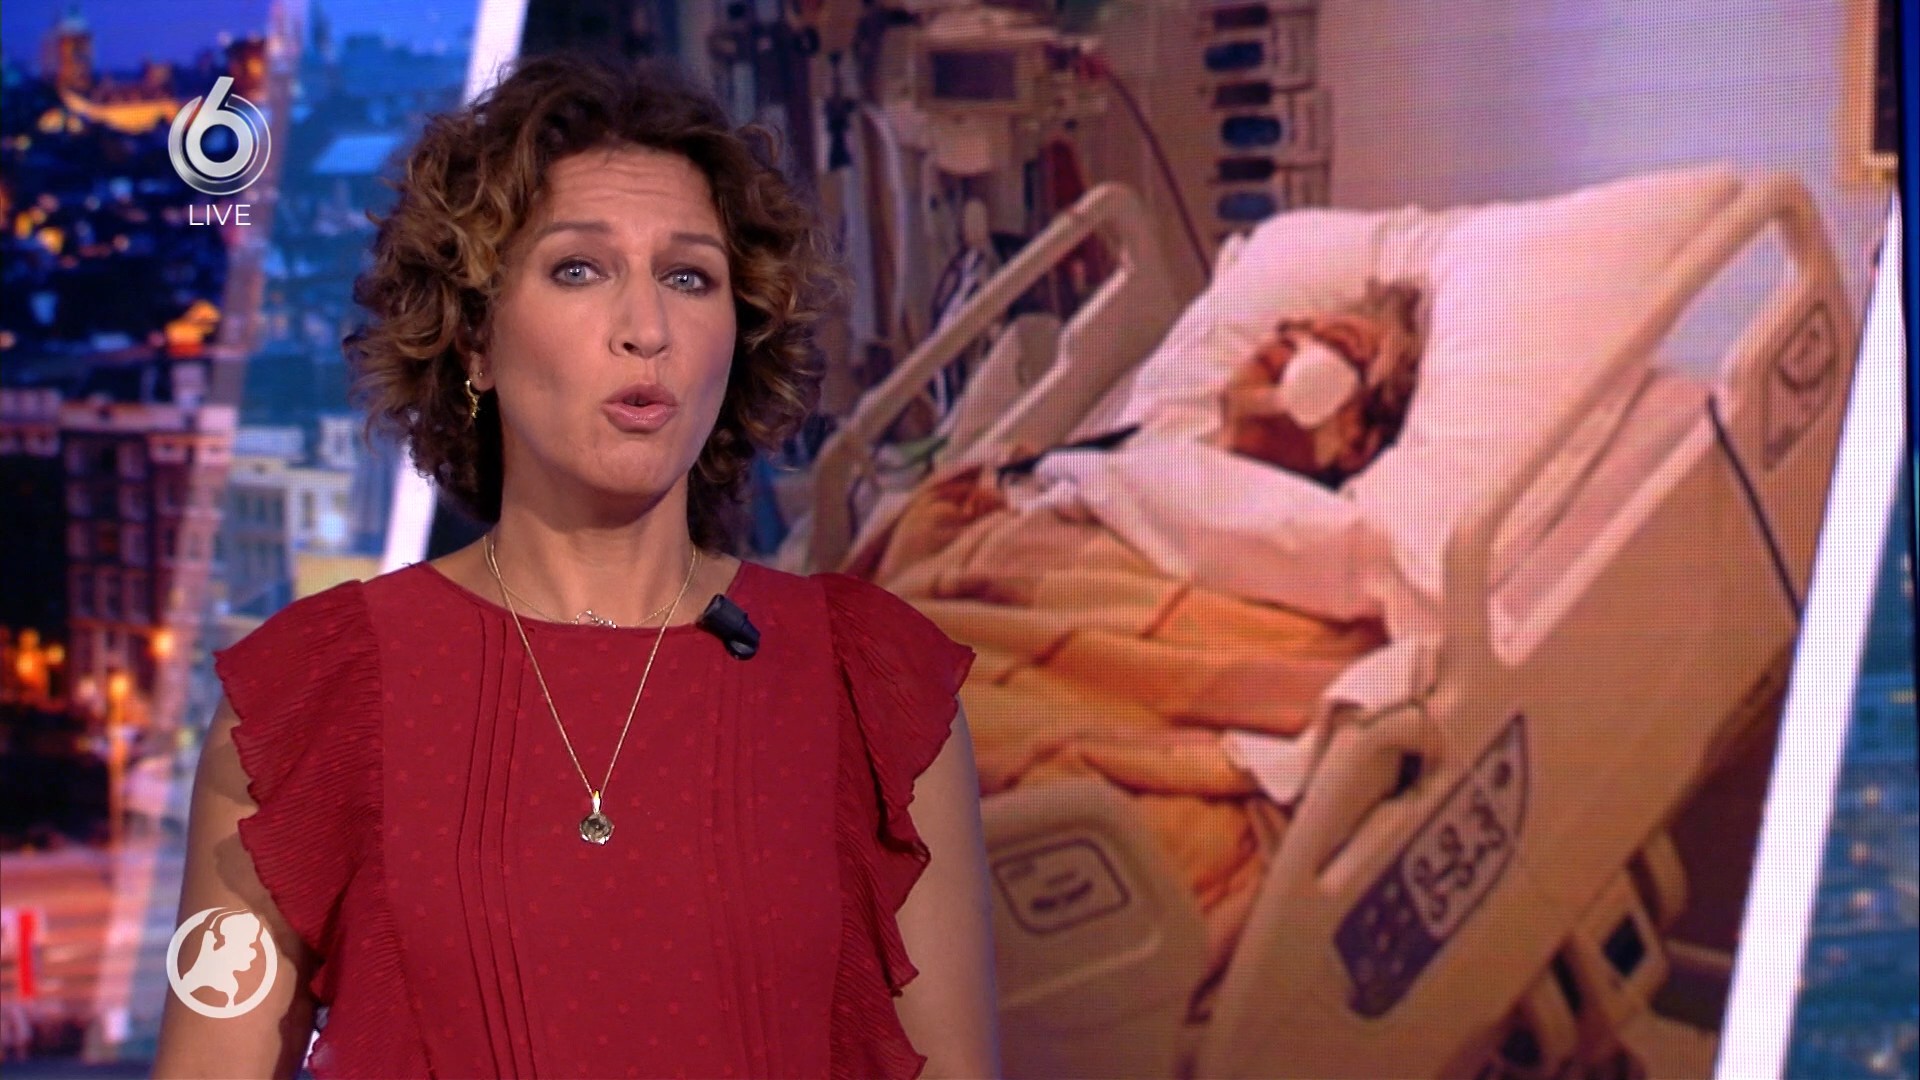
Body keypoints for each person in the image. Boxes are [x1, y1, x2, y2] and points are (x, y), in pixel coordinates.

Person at [153, 53, 999, 1080]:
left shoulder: (872, 685)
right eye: (579, 270)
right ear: (474, 338)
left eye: (689, 278)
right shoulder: (310, 697)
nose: (646, 330)